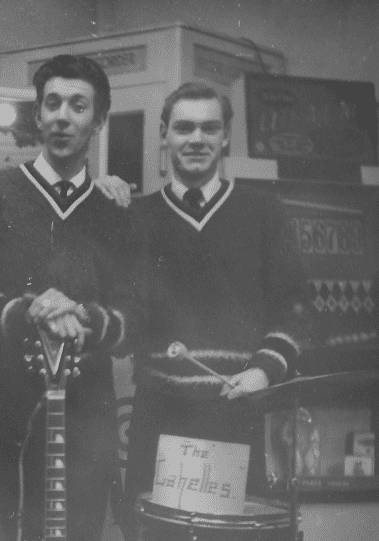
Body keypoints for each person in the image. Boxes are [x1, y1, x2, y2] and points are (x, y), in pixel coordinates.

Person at [0, 55, 142, 541]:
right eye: (52, 103)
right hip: (12, 415)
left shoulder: (116, 209)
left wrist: (86, 318)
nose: (63, 117)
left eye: (78, 105)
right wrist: (28, 309)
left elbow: (135, 316)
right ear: (36, 113)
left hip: (88, 417)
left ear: (98, 121)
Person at [123, 80, 305, 512]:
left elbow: (295, 310)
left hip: (237, 411)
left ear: (226, 139)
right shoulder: (136, 217)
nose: (197, 139)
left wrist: (264, 371)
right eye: (184, 128)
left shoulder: (264, 213)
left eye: (210, 128)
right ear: (164, 135)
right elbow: (122, 314)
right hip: (160, 414)